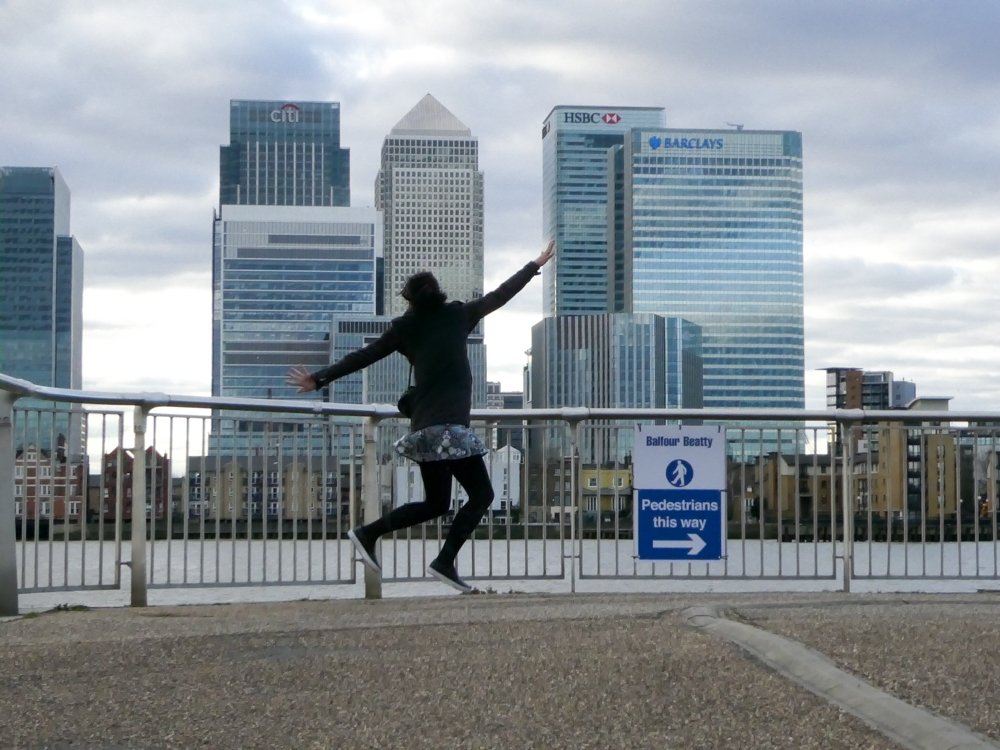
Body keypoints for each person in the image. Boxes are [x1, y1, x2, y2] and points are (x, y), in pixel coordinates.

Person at [286, 241, 555, 593]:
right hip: (451, 430)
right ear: (439, 294)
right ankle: (443, 560)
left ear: (409, 300)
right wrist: (534, 265)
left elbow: (363, 356)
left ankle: (369, 533)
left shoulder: (406, 329)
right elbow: (499, 295)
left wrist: (320, 378)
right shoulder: (458, 315)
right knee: (482, 495)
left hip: (426, 429)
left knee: (436, 502)